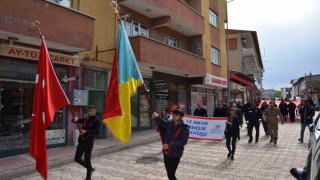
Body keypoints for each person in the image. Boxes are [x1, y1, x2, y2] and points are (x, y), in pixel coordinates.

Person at [152, 110, 189, 180]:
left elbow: (183, 142)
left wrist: (170, 146)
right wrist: (157, 116)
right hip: (166, 153)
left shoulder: (185, 128)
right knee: (169, 173)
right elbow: (162, 122)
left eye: (177, 115)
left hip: (175, 154)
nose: (174, 117)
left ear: (181, 117)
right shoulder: (170, 124)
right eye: (173, 115)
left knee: (171, 174)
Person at [72, 105, 101, 180]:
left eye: (91, 110)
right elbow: (76, 120)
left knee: (87, 159)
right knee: (77, 158)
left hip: (89, 142)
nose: (89, 112)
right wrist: (74, 119)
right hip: (81, 141)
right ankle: (90, 168)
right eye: (88, 110)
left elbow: (97, 132)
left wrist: (86, 131)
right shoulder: (86, 119)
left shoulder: (97, 121)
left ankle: (88, 177)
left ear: (95, 111)